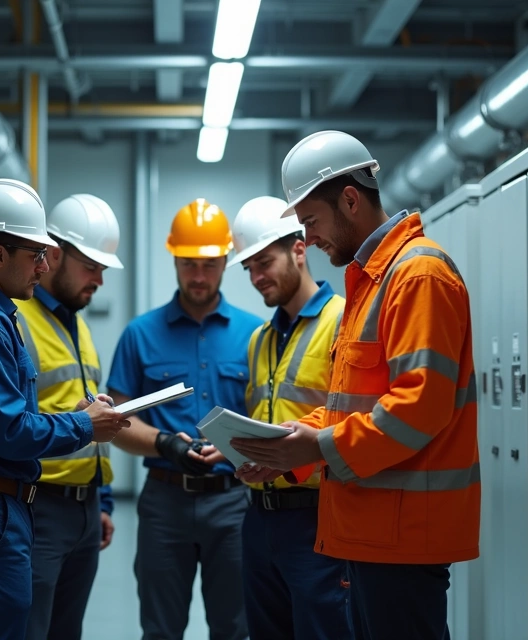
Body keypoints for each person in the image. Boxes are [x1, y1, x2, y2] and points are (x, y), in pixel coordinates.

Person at [230, 131, 480, 640]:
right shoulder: (369, 284)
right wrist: (287, 450)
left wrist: (316, 445)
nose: (312, 239)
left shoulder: (417, 276)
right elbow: (348, 408)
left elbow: (419, 406)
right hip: (368, 530)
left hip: (405, 536)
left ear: (349, 199)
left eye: (312, 222)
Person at [0, 179, 130, 640]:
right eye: (35, 255)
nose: (42, 265)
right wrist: (83, 425)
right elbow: (10, 432)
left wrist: (77, 418)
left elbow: (9, 418)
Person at [106, 199, 264, 640]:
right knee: (161, 630)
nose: (198, 276)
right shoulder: (140, 334)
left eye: (210, 265)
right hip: (164, 503)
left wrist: (238, 449)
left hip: (234, 501)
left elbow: (269, 419)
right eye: (189, 264)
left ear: (226, 262)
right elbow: (117, 420)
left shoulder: (255, 335)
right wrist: (165, 443)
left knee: (235, 628)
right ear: (174, 259)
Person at [226, 195, 352, 638]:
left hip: (318, 517)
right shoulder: (259, 340)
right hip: (259, 518)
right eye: (249, 269)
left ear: (299, 250)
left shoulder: (344, 321)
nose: (257, 278)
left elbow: (355, 420)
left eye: (264, 263)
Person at [15, 194, 125, 640]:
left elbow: (85, 412)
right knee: (31, 629)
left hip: (84, 508)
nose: (99, 279)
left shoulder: (76, 323)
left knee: (66, 631)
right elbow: (12, 423)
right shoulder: (16, 319)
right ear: (54, 255)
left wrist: (100, 500)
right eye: (91, 266)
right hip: (39, 507)